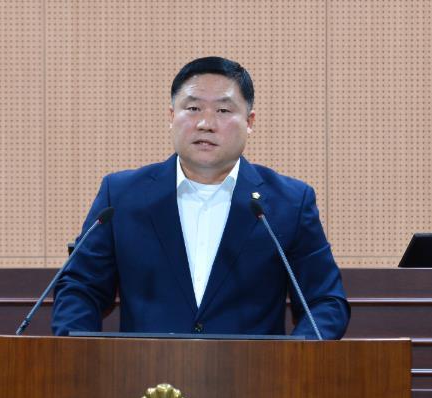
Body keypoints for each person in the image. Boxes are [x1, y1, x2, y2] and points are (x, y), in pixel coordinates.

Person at [52, 56, 350, 339]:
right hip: (146, 373)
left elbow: (325, 302)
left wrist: (292, 361)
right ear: (172, 116)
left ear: (249, 121)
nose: (205, 123)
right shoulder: (121, 195)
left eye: (223, 111)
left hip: (255, 373)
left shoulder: (289, 202)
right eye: (193, 108)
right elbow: (79, 288)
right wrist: (79, 356)